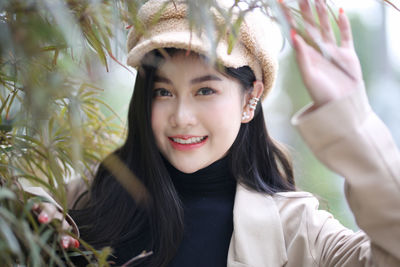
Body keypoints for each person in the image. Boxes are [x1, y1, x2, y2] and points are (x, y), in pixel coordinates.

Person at [26, 0, 400, 266]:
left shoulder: (299, 232)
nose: (181, 116)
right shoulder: (87, 199)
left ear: (249, 99)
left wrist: (352, 121)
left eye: (205, 90)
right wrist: (28, 208)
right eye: (163, 92)